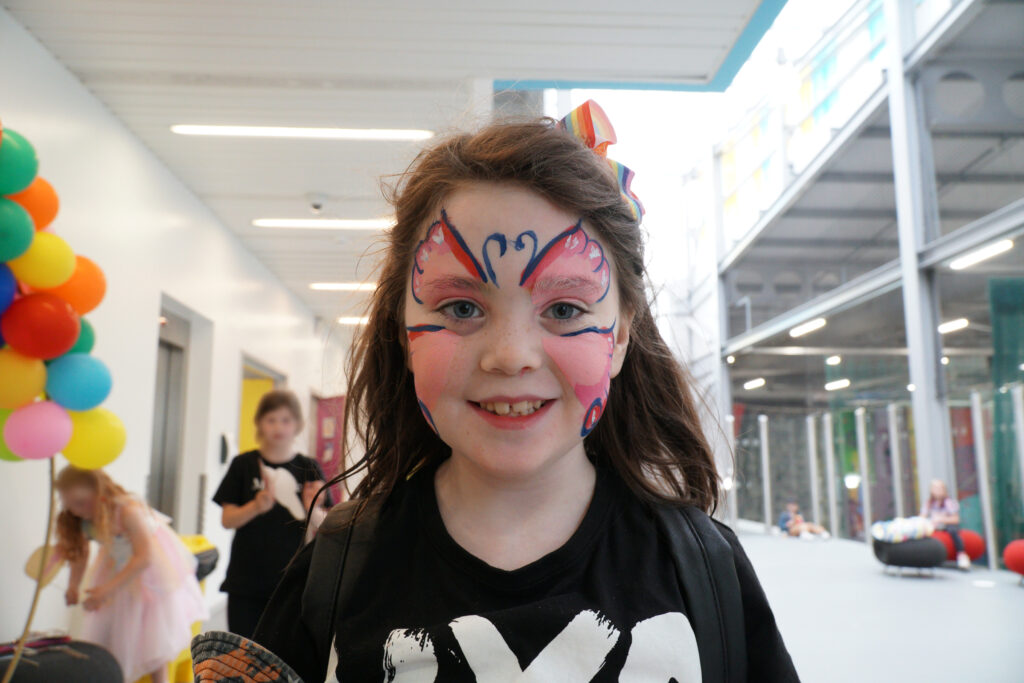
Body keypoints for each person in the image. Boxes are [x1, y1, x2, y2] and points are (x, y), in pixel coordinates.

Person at [248, 101, 798, 681]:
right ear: (402, 331)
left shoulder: (704, 570)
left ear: (619, 336)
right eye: (461, 308)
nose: (510, 355)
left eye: (564, 309)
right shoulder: (335, 569)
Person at [55, 465, 208, 683]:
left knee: (152, 641)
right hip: (115, 570)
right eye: (69, 505)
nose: (75, 511)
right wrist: (73, 585)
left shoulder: (127, 511)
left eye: (80, 503)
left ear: (100, 494)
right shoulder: (83, 518)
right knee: (111, 634)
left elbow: (144, 557)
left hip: (148, 577)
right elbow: (80, 553)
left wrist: (107, 590)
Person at [213, 388, 332, 638]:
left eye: (286, 420)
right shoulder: (243, 464)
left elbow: (328, 527)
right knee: (243, 653)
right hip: (246, 581)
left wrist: (312, 509)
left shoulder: (309, 467)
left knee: (285, 653)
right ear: (259, 423)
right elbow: (227, 520)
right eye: (271, 419)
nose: (278, 426)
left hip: (293, 581)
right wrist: (256, 506)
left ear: (297, 424)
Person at [921, 479, 970, 570]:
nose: (938, 490)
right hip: (934, 526)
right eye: (935, 488)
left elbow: (956, 519)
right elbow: (922, 516)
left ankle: (961, 554)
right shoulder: (929, 503)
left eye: (940, 488)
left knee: (953, 530)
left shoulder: (949, 502)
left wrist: (941, 519)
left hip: (947, 526)